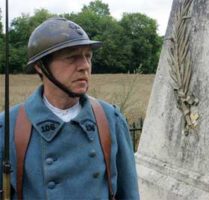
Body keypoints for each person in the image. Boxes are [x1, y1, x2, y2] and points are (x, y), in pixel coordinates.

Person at [0, 17, 139, 199]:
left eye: (88, 56)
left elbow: (129, 194)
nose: (84, 66)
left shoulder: (110, 119)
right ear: (40, 67)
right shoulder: (8, 126)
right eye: (72, 57)